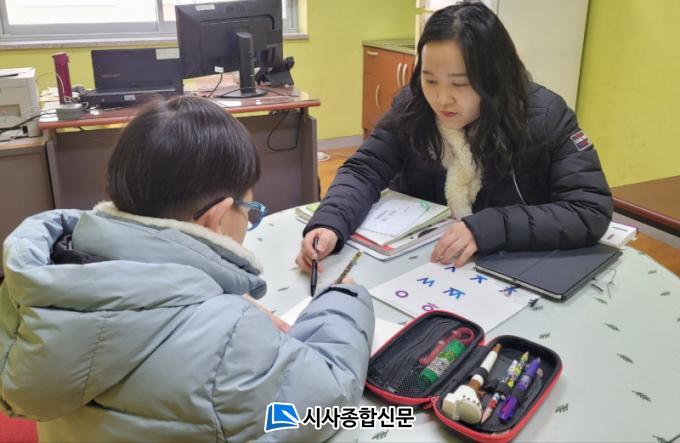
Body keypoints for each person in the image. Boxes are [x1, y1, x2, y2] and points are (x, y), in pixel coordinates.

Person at [0, 96, 375, 442]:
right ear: (216, 217)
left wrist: (208, 294)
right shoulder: (228, 338)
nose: (248, 221)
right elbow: (325, 403)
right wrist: (345, 300)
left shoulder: (49, 278)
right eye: (249, 210)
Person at [297, 0, 612, 273]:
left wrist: (489, 227)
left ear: (495, 78)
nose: (441, 99)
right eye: (430, 80)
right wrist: (331, 222)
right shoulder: (412, 106)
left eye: (460, 84)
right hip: (420, 264)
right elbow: (365, 169)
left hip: (508, 268)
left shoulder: (544, 116)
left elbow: (589, 210)